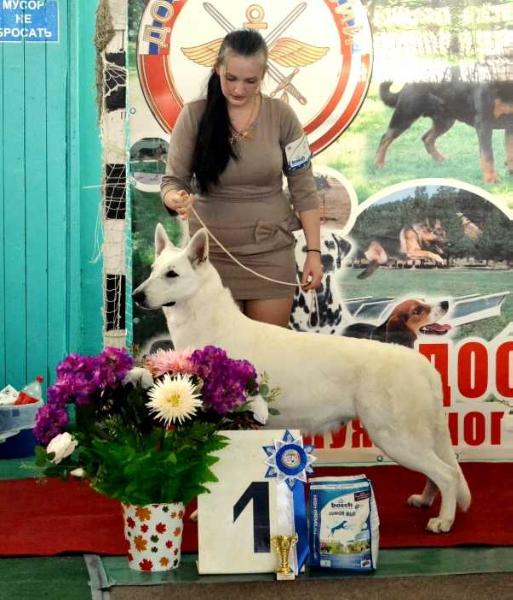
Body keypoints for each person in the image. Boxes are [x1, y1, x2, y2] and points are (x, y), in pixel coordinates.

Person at [161, 29, 322, 327]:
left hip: (271, 256)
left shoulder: (283, 116)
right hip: (211, 261)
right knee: (217, 366)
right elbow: (172, 182)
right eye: (231, 78)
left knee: (268, 366)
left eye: (251, 81)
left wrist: (314, 252)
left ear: (263, 76)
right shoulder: (194, 115)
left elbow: (304, 187)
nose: (238, 89)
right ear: (217, 69)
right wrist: (176, 199)